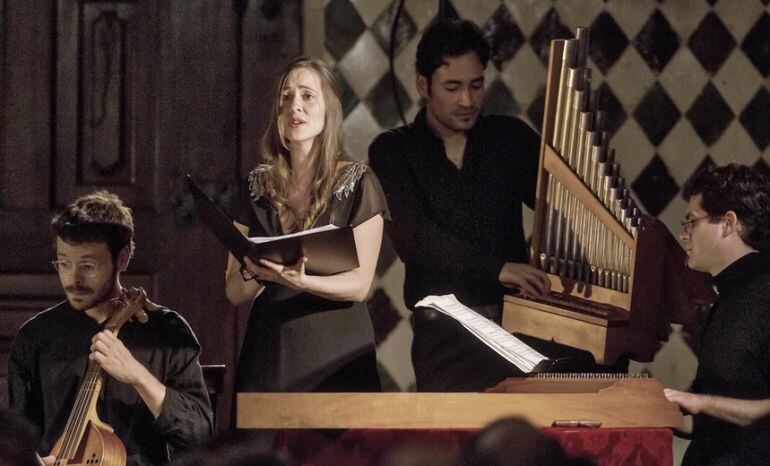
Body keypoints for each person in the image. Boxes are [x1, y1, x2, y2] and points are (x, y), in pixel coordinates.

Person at [369, 19, 558, 392]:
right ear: (423, 86)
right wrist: (499, 268)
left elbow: (563, 207)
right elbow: (415, 240)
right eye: (452, 87)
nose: (467, 101)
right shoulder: (393, 151)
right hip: (443, 340)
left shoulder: (510, 138)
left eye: (476, 85)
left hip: (515, 332)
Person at [7, 191, 213, 466]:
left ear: (122, 258)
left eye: (88, 266)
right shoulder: (35, 337)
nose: (72, 279)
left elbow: (200, 437)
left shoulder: (167, 333)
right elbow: (15, 440)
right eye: (64, 263)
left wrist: (138, 375)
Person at [225, 57, 389, 393]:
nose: (294, 106)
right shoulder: (257, 187)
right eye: (286, 97)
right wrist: (256, 270)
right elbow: (233, 291)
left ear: (330, 109)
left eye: (307, 96)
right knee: (261, 443)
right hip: (271, 346)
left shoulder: (357, 181)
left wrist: (302, 280)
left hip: (336, 351)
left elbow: (360, 285)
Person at [663, 164, 770, 465]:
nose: (684, 235)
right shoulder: (727, 297)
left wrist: (701, 401)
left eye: (691, 222)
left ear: (728, 223)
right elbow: (712, 422)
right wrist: (655, 410)